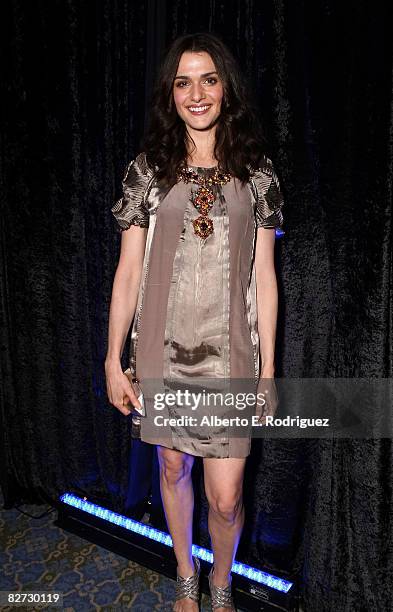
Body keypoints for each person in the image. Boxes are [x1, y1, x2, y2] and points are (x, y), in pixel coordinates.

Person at [105, 32, 284, 612]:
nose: (196, 93)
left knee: (227, 497)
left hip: (232, 354)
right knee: (173, 464)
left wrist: (269, 370)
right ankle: (186, 577)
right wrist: (113, 360)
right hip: (161, 349)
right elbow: (128, 271)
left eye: (208, 79)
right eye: (183, 82)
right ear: (171, 94)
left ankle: (222, 584)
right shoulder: (147, 170)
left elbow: (264, 277)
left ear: (225, 88)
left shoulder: (255, 170)